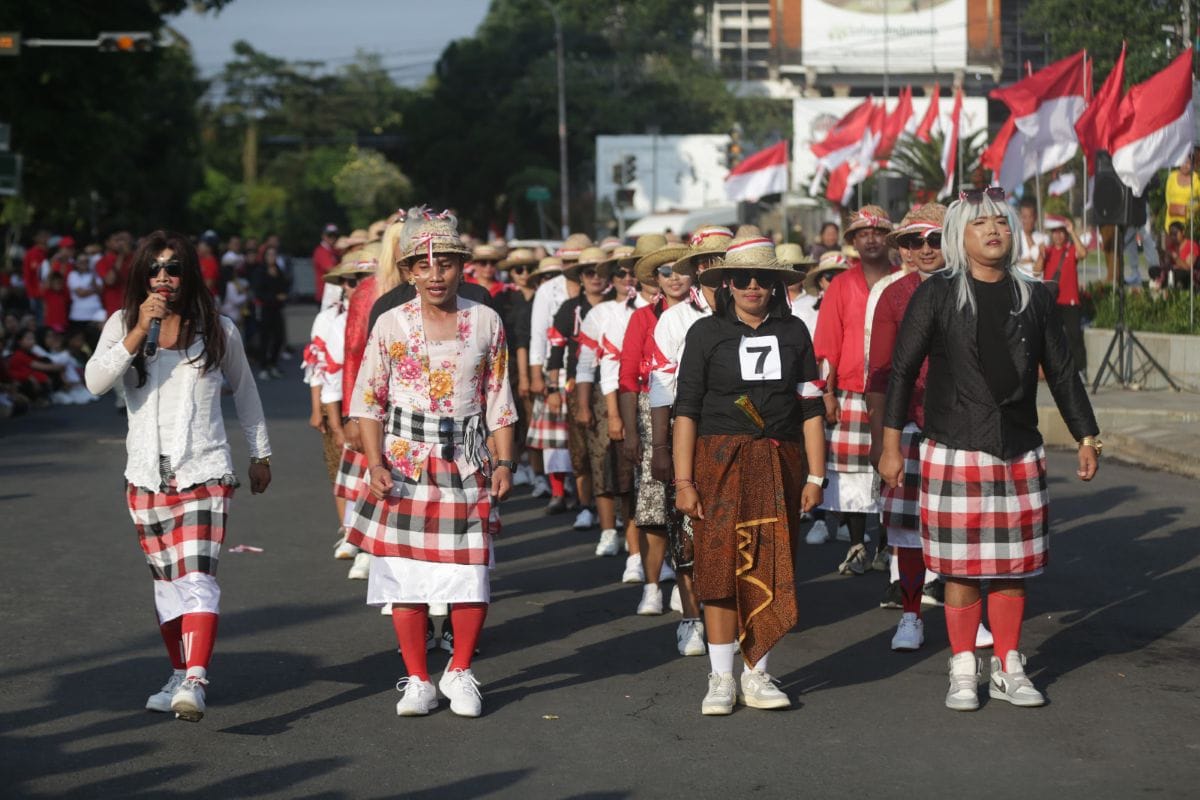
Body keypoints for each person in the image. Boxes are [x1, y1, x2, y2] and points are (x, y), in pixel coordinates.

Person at [880, 188, 1100, 712]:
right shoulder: (937, 293)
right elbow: (902, 372)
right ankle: (963, 667)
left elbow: (1063, 372)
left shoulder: (1035, 296)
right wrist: (890, 447)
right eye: (980, 224)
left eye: (1001, 222)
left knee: (1012, 567)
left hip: (1019, 447)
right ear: (961, 235)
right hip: (953, 447)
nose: (993, 231)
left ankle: (1008, 665)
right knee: (958, 568)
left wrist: (1086, 436)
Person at [84, 231, 272, 723]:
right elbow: (95, 382)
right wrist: (137, 331)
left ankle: (195, 680)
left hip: (205, 473)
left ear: (189, 274)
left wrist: (260, 454)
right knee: (167, 586)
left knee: (198, 578)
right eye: (154, 268)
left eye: (173, 268)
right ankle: (178, 672)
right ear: (141, 276)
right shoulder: (123, 324)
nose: (163, 277)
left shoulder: (218, 329)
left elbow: (246, 392)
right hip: (146, 476)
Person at [345, 210, 516, 719]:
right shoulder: (390, 322)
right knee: (405, 575)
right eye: (424, 265)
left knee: (470, 573)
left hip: (466, 460)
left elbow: (499, 397)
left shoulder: (485, 320)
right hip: (404, 463)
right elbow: (369, 399)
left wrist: (505, 462)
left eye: (446, 264)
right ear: (409, 272)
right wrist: (374, 462)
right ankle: (418, 678)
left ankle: (459, 670)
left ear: (462, 267)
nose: (435, 274)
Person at [672, 228, 826, 715]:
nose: (753, 286)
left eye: (762, 277)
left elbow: (811, 407)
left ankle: (757, 673)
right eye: (742, 278)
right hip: (718, 462)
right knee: (718, 567)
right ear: (727, 283)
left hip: (780, 462)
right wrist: (683, 482)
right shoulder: (704, 334)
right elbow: (686, 411)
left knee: (771, 564)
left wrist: (817, 476)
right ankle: (721, 677)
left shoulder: (795, 332)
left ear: (776, 283)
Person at [865, 203, 949, 650]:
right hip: (911, 423)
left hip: (965, 427)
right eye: (916, 240)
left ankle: (967, 616)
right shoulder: (894, 295)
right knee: (908, 529)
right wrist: (882, 441)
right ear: (906, 247)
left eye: (936, 239)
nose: (926, 248)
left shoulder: (974, 287)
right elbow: (879, 374)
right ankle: (911, 615)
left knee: (965, 527)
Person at [650, 225, 733, 655]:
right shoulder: (675, 318)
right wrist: (661, 448)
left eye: (723, 259)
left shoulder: (757, 309)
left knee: (734, 529)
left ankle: (736, 615)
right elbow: (661, 386)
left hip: (739, 436)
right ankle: (691, 618)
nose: (716, 267)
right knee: (686, 528)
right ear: (698, 267)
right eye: (708, 260)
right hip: (689, 435)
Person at [813, 206, 896, 574]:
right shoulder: (841, 285)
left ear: (889, 238)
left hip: (896, 391)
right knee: (851, 473)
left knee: (893, 470)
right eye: (863, 234)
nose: (871, 239)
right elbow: (826, 343)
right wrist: (827, 393)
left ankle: (888, 546)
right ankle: (858, 544)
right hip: (849, 389)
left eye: (878, 232)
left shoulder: (904, 280)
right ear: (853, 242)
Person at [618, 241, 691, 616]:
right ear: (656, 280)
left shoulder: (704, 315)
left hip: (695, 411)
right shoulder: (642, 318)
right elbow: (627, 378)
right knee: (651, 510)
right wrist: (631, 432)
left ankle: (685, 583)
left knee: (690, 504)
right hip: (650, 415)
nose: (674, 277)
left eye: (681, 270)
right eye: (666, 271)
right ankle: (651, 587)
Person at [304, 246, 377, 547]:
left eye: (365, 279)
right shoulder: (331, 320)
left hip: (377, 404)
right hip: (340, 404)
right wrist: (329, 418)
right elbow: (321, 368)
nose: (357, 286)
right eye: (351, 280)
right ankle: (349, 532)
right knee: (342, 470)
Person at [1041, 215, 1089, 375]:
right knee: (1052, 339)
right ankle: (1056, 370)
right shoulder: (1047, 251)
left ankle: (1080, 370)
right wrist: (1040, 255)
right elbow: (1037, 269)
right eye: (1055, 232)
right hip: (1052, 301)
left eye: (1061, 232)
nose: (1058, 235)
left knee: (1075, 336)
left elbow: (1083, 253)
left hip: (1070, 302)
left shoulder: (1071, 249)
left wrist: (1072, 231)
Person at [96, 231, 134, 318]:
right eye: (117, 240)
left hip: (132, 306)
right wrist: (121, 256)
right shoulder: (102, 261)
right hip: (113, 309)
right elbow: (110, 281)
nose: (121, 243)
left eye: (123, 240)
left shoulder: (133, 257)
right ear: (107, 243)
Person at [1163, 148, 1200, 234]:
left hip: (1188, 223)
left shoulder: (1196, 179)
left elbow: (1198, 200)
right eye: (1183, 162)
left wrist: (1188, 208)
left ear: (1192, 165)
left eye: (1188, 163)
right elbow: (1167, 196)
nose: (1185, 165)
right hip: (1171, 222)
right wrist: (1175, 208)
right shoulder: (1172, 177)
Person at [1015, 198, 1047, 279]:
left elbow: (1039, 262)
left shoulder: (1043, 238)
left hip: (1037, 282)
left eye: (1030, 217)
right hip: (1020, 281)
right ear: (1020, 217)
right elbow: (1011, 263)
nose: (1027, 220)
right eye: (1024, 217)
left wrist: (1028, 235)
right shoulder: (1015, 237)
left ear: (1035, 217)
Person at [312, 223, 341, 308]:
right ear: (323, 236)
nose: (333, 238)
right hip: (325, 295)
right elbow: (331, 269)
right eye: (329, 235)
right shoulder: (321, 251)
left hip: (333, 294)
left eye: (335, 235)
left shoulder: (334, 251)